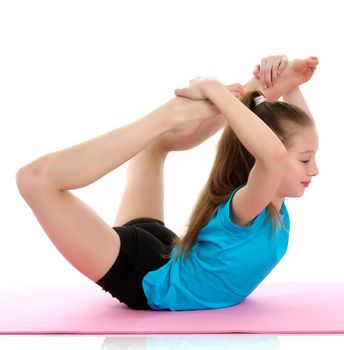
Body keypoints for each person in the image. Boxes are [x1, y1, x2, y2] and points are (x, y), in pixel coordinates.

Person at [16, 54, 320, 311]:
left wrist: (282, 86)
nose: (314, 169)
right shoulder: (249, 206)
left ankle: (174, 118)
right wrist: (215, 90)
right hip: (142, 276)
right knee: (35, 181)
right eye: (306, 160)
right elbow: (276, 153)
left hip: (167, 250)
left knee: (153, 148)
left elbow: (291, 140)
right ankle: (168, 117)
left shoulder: (274, 198)